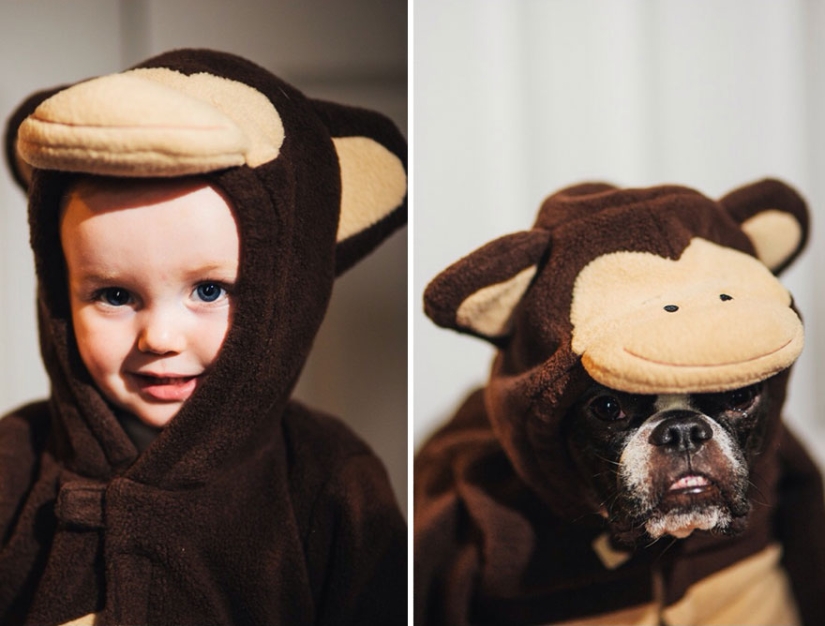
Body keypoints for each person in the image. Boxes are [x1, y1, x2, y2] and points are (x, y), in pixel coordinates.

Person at [0, 49, 407, 625]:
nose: (161, 337)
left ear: (282, 298)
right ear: (59, 295)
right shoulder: (14, 459)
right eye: (115, 296)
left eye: (210, 291)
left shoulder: (331, 479)